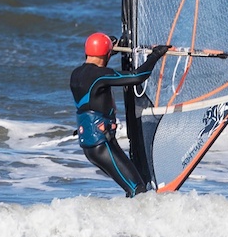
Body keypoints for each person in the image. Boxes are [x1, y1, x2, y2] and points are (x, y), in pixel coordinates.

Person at [70, 32, 170, 196]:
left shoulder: (76, 74)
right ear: (107, 54)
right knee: (137, 190)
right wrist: (155, 55)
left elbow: (99, 62)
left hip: (91, 146)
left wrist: (111, 49)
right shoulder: (100, 76)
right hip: (102, 145)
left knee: (134, 187)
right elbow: (137, 76)